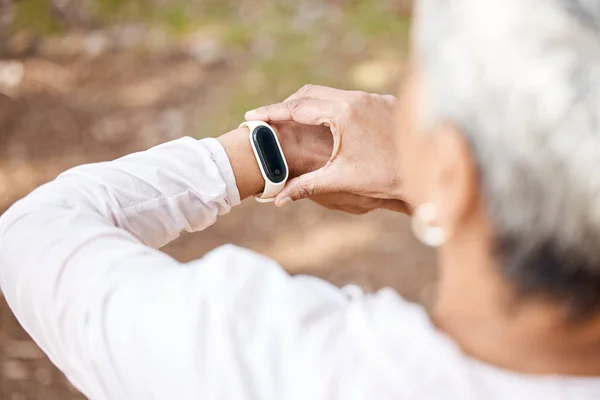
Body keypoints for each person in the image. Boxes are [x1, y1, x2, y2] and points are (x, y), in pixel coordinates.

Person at [1, 0, 600, 398]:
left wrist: (251, 155)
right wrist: (442, 187)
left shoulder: (259, 359)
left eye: (414, 76)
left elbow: (34, 233)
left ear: (452, 169)